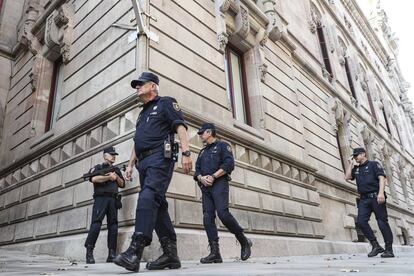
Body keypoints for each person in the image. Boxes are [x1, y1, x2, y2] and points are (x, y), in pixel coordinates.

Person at [113, 72, 193, 272]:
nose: (137, 87)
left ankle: (135, 250)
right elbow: (137, 141)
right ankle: (170, 255)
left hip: (160, 158)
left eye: (141, 84)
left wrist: (186, 153)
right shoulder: (142, 113)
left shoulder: (166, 103)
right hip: (143, 162)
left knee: (148, 196)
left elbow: (181, 127)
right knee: (158, 204)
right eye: (136, 85)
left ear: (153, 86)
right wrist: (130, 164)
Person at [194, 123, 252, 263]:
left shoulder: (222, 146)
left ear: (209, 132)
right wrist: (201, 177)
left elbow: (229, 164)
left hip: (219, 183)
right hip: (205, 187)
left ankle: (243, 241)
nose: (200, 135)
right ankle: (215, 253)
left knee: (223, 213)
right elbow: (197, 171)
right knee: (207, 217)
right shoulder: (202, 152)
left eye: (202, 133)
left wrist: (213, 176)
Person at [345, 147, 394, 258]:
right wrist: (350, 164)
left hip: (376, 197)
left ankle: (389, 250)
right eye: (354, 156)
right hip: (363, 199)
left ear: (363, 154)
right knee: (361, 222)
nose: (355, 157)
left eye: (356, 155)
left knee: (382, 222)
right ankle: (375, 245)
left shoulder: (373, 164)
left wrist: (381, 193)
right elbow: (347, 177)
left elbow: (382, 178)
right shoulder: (356, 169)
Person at [84, 146, 125, 263]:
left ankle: (111, 253)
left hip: (113, 200)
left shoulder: (116, 170)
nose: (113, 156)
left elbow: (122, 184)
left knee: (113, 226)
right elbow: (93, 179)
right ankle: (89, 252)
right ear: (104, 155)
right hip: (101, 198)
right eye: (111, 154)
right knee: (96, 224)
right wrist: (108, 177)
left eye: (114, 154)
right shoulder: (98, 167)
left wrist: (116, 177)